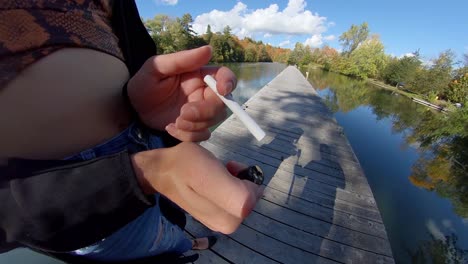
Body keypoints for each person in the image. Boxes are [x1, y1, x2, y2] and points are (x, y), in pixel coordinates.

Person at [0, 0, 263, 262]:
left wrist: (147, 110)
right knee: (160, 244)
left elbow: (136, 58)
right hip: (78, 204)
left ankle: (186, 239)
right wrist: (139, 175)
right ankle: (186, 244)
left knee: (170, 215)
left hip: (145, 141)